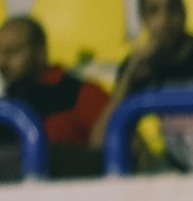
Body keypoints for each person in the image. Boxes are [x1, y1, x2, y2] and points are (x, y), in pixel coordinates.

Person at [90, 0, 193, 174]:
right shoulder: (140, 68)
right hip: (183, 187)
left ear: (184, 11)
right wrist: (128, 80)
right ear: (142, 18)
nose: (164, 20)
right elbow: (100, 143)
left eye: (172, 9)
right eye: (153, 11)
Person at [0, 17, 112, 178]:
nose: (2, 62)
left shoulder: (81, 93)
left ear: (40, 51)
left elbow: (126, 151)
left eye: (13, 52)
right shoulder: (5, 108)